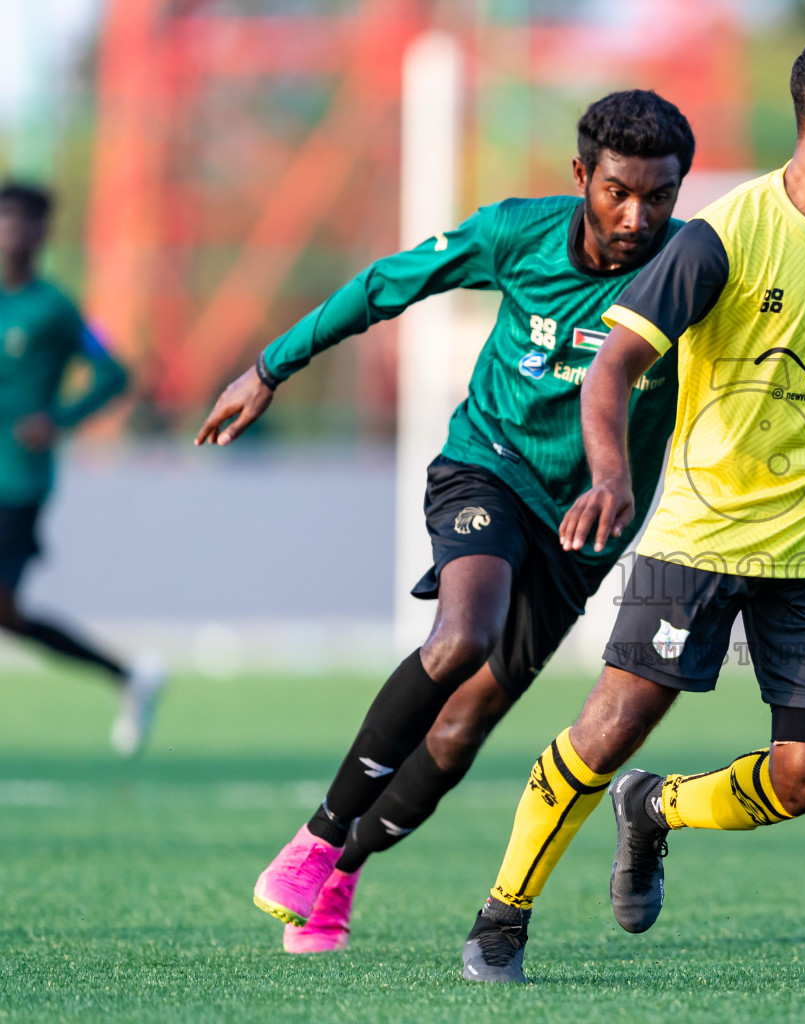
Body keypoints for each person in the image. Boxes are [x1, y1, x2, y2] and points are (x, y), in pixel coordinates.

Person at [459, 24, 805, 984]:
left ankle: (657, 809)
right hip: (705, 537)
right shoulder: (724, 238)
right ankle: (501, 917)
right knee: (609, 726)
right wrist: (610, 477)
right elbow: (613, 367)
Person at [195, 91, 695, 954]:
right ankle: (316, 836)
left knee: (465, 726)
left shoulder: (691, 267)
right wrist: (269, 368)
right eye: (618, 191)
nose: (637, 215)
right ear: (582, 176)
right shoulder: (515, 234)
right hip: (487, 467)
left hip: (587, 528)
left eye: (659, 196)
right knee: (463, 633)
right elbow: (387, 284)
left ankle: (342, 872)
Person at [0, 181, 157, 755]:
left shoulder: (55, 309)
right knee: (9, 615)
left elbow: (113, 373)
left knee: (5, 610)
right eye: (5, 218)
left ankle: (128, 677)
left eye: (24, 220)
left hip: (17, 478)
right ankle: (130, 676)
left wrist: (59, 419)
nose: (12, 230)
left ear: (42, 233)